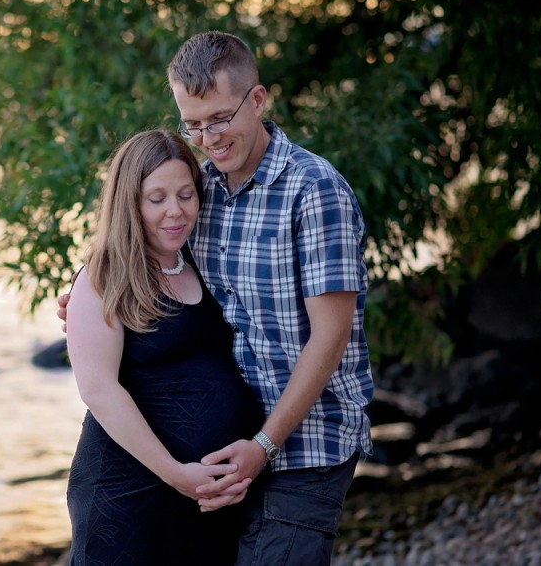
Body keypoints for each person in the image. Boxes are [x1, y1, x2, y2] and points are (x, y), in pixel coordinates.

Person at [59, 31, 373, 565]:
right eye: (193, 123)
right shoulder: (202, 188)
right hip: (226, 462)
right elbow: (146, 256)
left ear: (257, 100)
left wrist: (264, 445)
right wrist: (85, 295)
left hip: (302, 447)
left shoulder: (313, 190)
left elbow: (331, 335)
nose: (208, 137)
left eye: (220, 118)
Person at [64, 129, 264, 565]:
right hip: (129, 493)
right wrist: (177, 475)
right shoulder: (105, 277)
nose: (175, 211)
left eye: (186, 195)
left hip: (202, 498)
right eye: (157, 199)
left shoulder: (203, 263)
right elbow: (98, 390)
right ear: (129, 202)